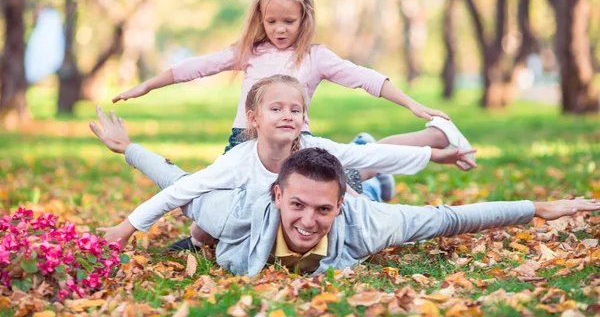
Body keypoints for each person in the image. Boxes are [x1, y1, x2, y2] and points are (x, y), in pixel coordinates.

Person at [110, 0, 475, 199]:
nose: (280, 29)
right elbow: (195, 67)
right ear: (260, 18)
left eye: (289, 21)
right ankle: (378, 180)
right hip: (245, 142)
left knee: (350, 177)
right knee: (215, 200)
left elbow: (366, 79)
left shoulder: (315, 57)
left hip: (296, 142)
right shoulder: (248, 52)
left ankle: (434, 135)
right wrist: (146, 86)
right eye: (272, 21)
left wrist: (413, 104)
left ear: (305, 17)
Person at [91, 121, 600, 276]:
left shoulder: (368, 221)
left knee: (371, 174)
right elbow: (178, 183)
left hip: (366, 192)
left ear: (338, 206)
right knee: (357, 159)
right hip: (330, 179)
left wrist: (538, 208)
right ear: (276, 195)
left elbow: (450, 219)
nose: (308, 221)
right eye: (296, 205)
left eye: (321, 209)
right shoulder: (234, 213)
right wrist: (129, 148)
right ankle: (359, 156)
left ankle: (364, 164)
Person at [91, 75, 477, 251]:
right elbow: (179, 189)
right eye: (276, 108)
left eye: (295, 109)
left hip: (330, 198)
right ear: (253, 118)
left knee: (360, 177)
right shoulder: (238, 162)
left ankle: (378, 184)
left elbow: (373, 156)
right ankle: (377, 187)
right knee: (365, 181)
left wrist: (433, 155)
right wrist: (126, 228)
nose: (287, 114)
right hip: (292, 210)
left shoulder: (310, 145)